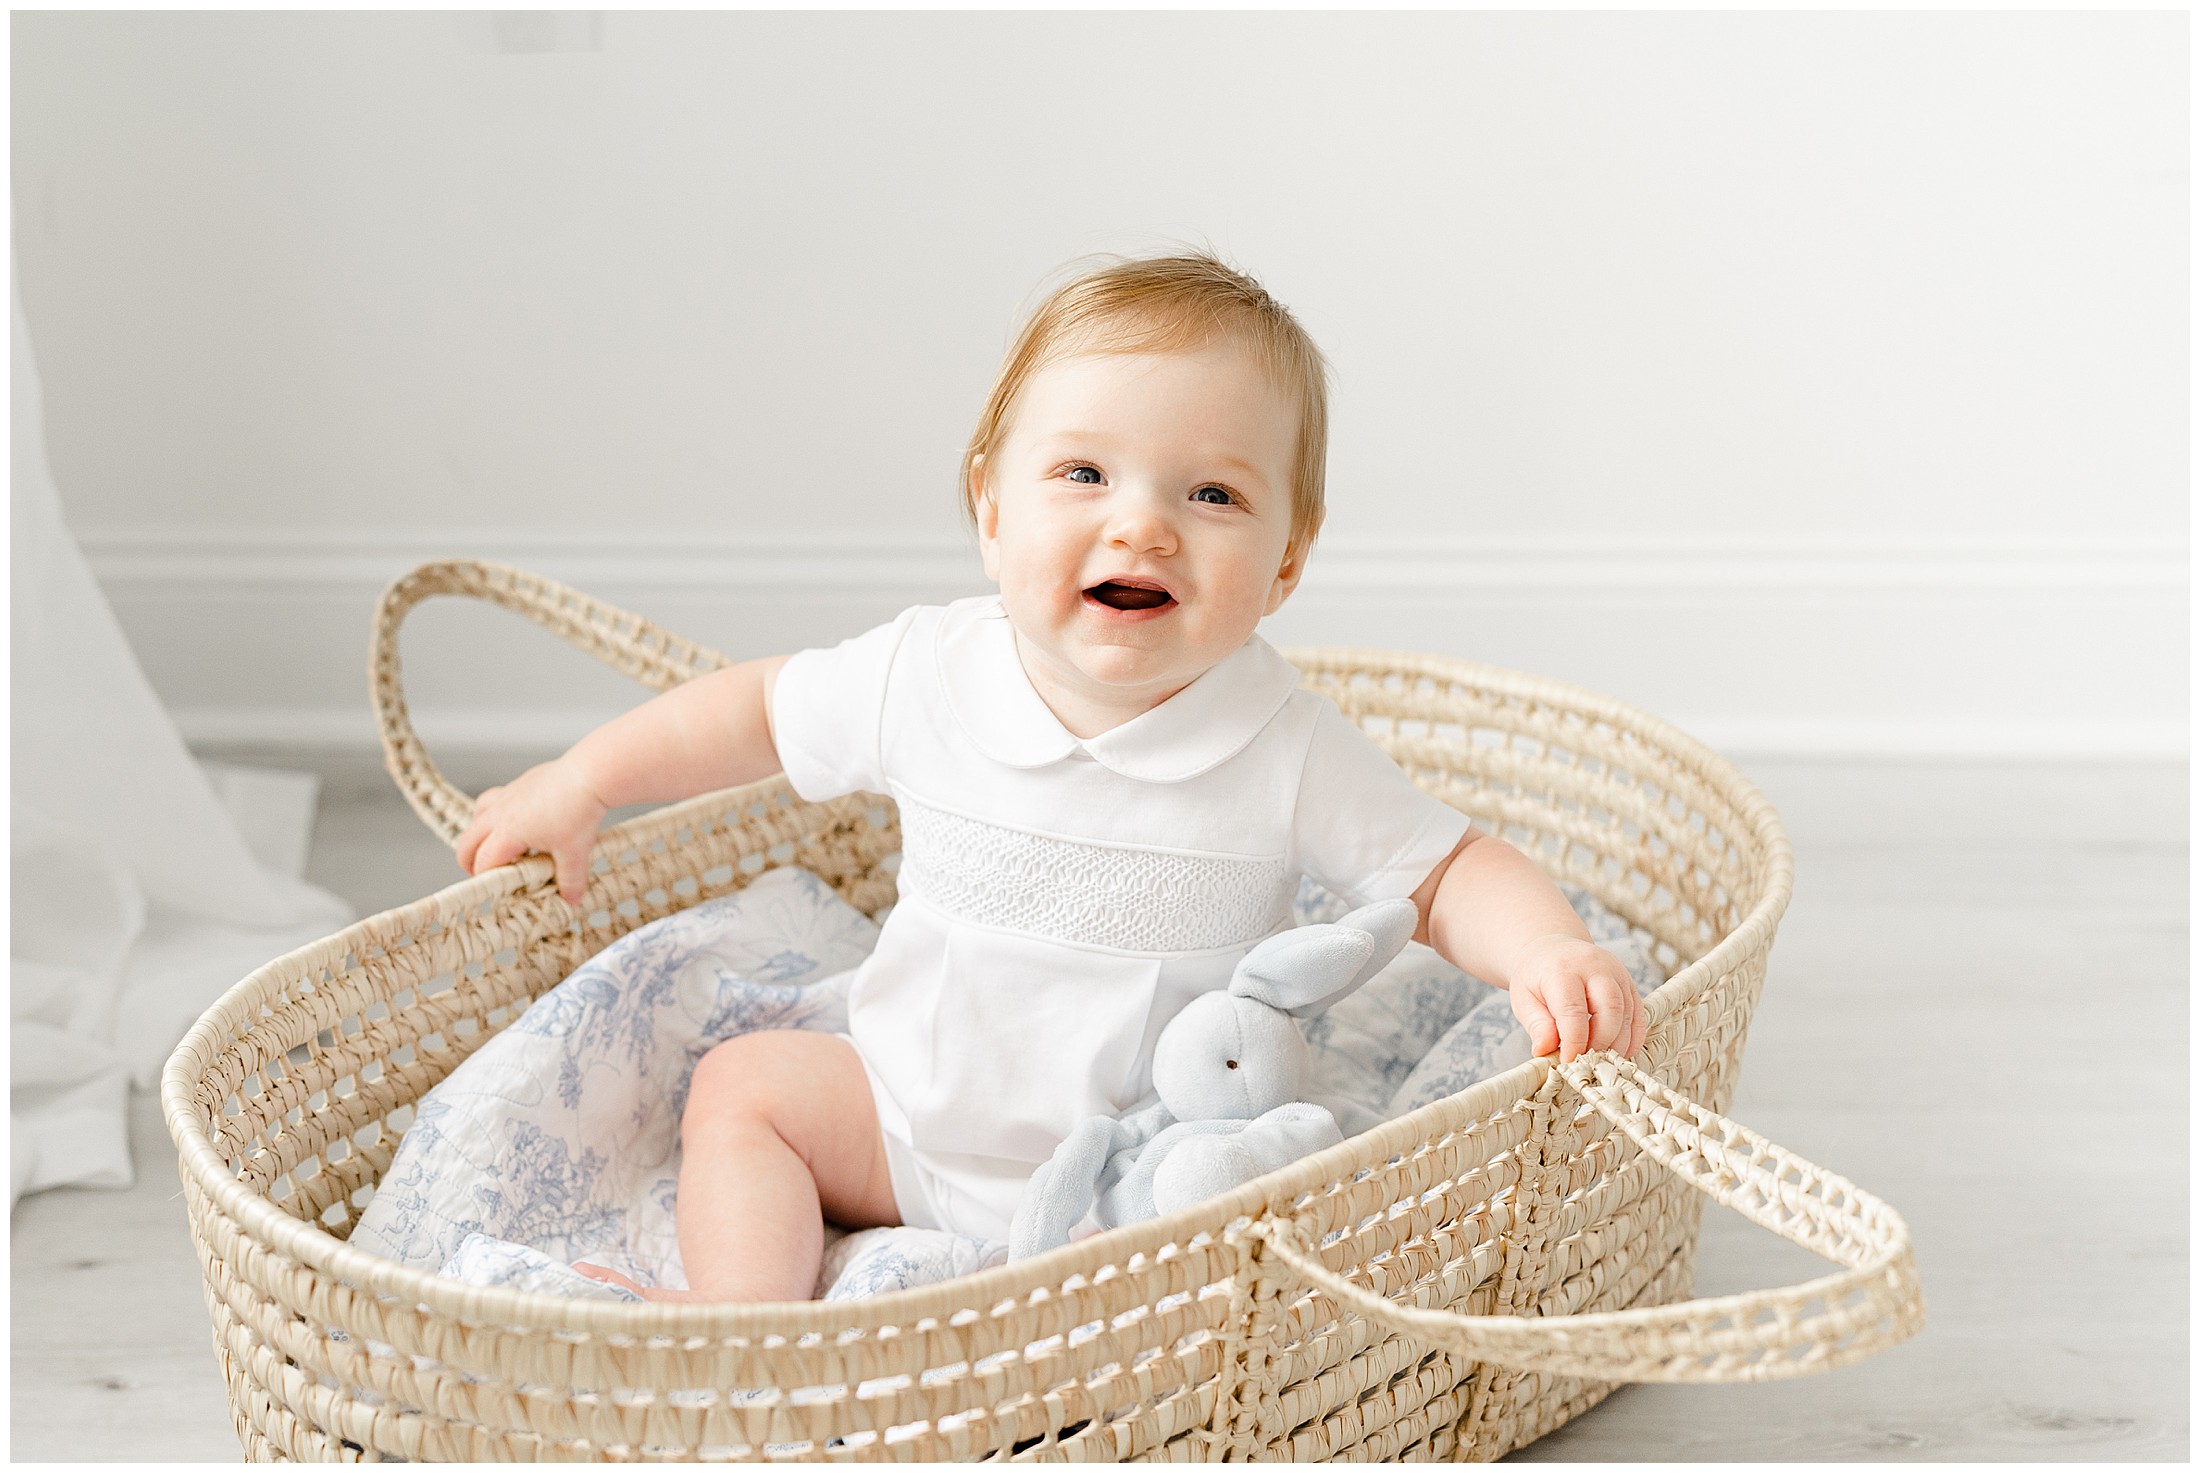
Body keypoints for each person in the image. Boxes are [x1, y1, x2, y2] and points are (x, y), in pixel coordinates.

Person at [454, 253, 1646, 1303]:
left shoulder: (1280, 741)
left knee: (1267, 1220)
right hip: (901, 1124)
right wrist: (587, 778)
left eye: (1212, 494)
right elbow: (756, 711)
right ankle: (743, 1323)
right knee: (743, 1089)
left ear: (1285, 560)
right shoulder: (929, 672)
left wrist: (1543, 951)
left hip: (1134, 1179)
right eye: (1083, 474)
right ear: (989, 508)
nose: (1143, 528)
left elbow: (1444, 873)